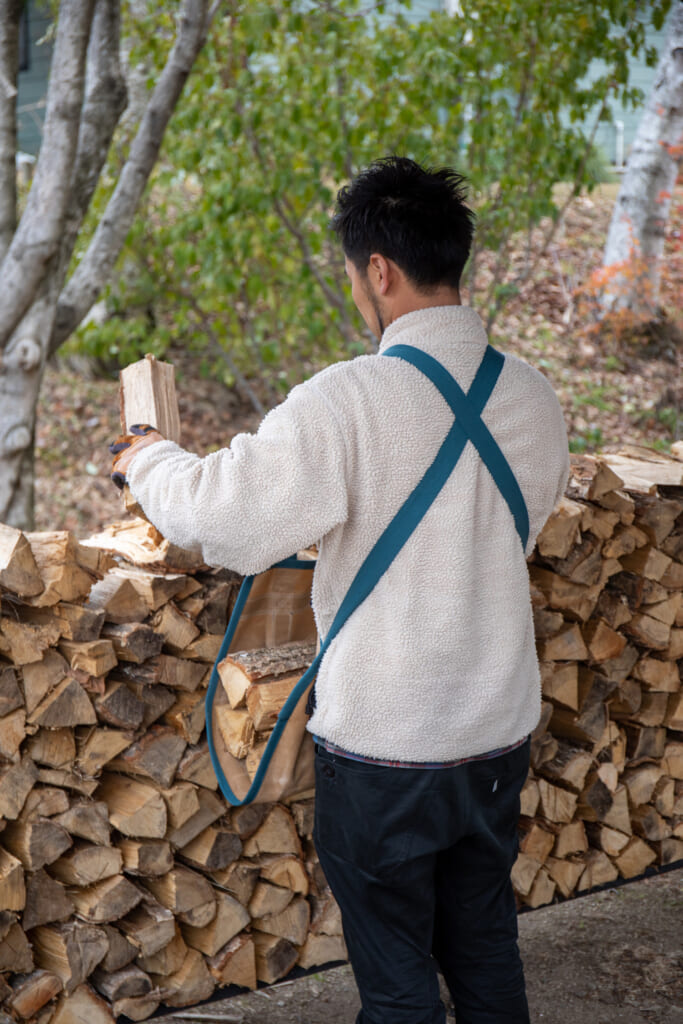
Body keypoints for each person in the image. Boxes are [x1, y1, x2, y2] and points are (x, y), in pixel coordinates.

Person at [110, 156, 570, 1024]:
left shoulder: (348, 401)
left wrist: (149, 460)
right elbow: (524, 522)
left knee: (396, 984)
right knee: (482, 945)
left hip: (387, 748)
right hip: (498, 736)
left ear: (379, 272)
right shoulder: (533, 398)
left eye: (354, 275)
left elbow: (225, 520)